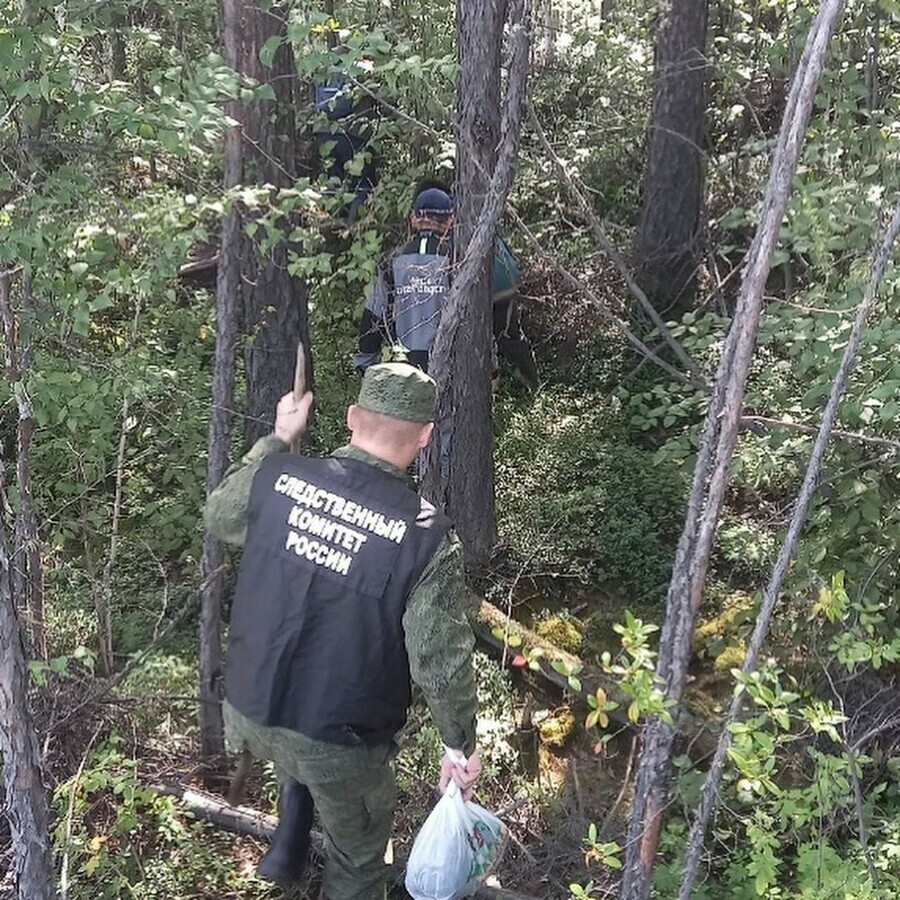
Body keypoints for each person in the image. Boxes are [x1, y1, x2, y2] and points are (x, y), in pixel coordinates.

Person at [204, 363, 482, 899]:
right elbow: (440, 660)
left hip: (248, 706)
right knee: (358, 860)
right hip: (339, 741)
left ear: (352, 417)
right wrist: (458, 744)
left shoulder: (280, 475)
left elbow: (220, 515)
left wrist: (280, 437)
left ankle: (289, 834)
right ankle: (310, 839)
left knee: (305, 742)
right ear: (424, 437)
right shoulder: (425, 538)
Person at [352, 186, 538, 389]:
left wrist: (365, 363)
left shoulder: (390, 261)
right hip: (451, 367)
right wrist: (491, 369)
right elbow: (474, 319)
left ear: (413, 218)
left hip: (403, 368)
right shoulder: (459, 261)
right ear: (450, 220)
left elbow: (373, 316)